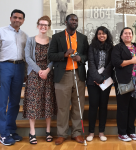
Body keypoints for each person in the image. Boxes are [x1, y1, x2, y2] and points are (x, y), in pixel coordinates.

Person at [48, 14, 89, 145]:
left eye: (76, 20)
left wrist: (80, 58)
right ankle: (62, 134)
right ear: (66, 21)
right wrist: (64, 54)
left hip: (78, 74)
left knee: (78, 106)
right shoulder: (57, 37)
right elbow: (51, 55)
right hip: (63, 75)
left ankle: (77, 133)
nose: (74, 22)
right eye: (72, 20)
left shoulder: (83, 38)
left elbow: (87, 55)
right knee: (62, 107)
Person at [0, 9, 28, 146]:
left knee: (15, 102)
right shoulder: (0, 31)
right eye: (15, 17)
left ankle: (11, 129)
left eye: (20, 18)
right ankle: (3, 134)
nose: (17, 20)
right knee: (2, 102)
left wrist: (25, 73)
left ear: (23, 20)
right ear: (10, 18)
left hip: (19, 67)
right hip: (4, 67)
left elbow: (26, 56)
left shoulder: (24, 36)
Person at [23, 16, 57, 144]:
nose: (43, 27)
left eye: (46, 25)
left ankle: (48, 131)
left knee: (48, 102)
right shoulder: (30, 40)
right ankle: (32, 132)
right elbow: (27, 57)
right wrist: (39, 71)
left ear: (49, 27)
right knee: (33, 103)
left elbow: (53, 58)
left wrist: (47, 71)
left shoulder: (53, 41)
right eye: (41, 24)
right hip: (33, 75)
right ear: (37, 26)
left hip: (48, 75)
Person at [111, 27, 136, 142]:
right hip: (124, 81)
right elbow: (116, 63)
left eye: (130, 33)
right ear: (121, 36)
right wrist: (131, 61)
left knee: (133, 108)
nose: (128, 35)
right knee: (123, 108)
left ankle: (131, 132)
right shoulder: (118, 48)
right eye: (125, 33)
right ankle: (122, 133)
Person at [86, 26, 114, 142]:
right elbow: (91, 63)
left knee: (103, 106)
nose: (101, 35)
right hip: (92, 81)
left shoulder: (111, 48)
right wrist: (97, 78)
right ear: (96, 35)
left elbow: (111, 64)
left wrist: (103, 78)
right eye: (99, 33)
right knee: (93, 106)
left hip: (106, 81)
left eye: (104, 34)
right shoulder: (92, 47)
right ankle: (91, 132)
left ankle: (101, 132)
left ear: (107, 35)